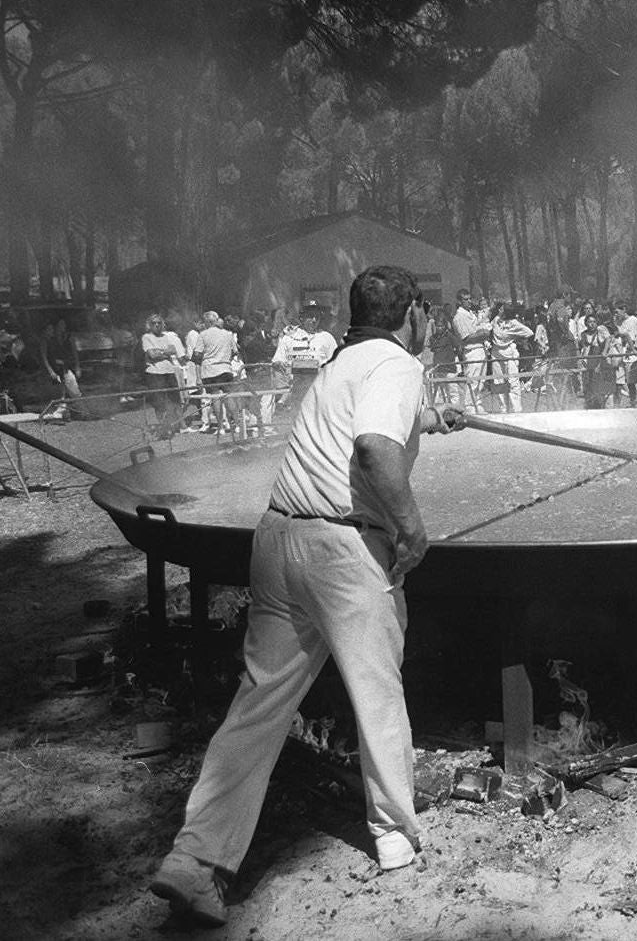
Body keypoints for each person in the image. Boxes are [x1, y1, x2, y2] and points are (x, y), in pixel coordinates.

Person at [149, 267, 465, 928]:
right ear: (410, 314)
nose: (430, 321)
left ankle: (196, 859)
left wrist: (432, 418)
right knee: (375, 692)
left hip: (278, 538)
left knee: (258, 706)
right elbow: (375, 445)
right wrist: (411, 529)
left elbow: (359, 423)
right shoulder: (400, 364)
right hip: (343, 553)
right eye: (427, 311)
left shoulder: (341, 361)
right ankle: (396, 838)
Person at [141, 313, 187, 439]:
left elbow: (172, 350)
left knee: (176, 400)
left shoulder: (166, 336)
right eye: (154, 323)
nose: (157, 325)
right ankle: (164, 428)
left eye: (159, 323)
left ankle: (182, 426)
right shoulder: (146, 337)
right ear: (149, 325)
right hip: (155, 373)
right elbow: (152, 355)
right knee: (159, 402)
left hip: (169, 371)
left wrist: (159, 352)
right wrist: (164, 353)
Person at [198, 311, 242, 432]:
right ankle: (237, 425)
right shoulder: (227, 334)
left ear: (207, 322)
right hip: (225, 369)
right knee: (229, 396)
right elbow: (236, 351)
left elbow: (197, 356)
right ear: (216, 321)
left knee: (215, 397)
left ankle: (221, 427)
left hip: (209, 370)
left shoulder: (202, 335)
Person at [486, 303, 534, 413]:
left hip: (509, 353)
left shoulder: (514, 323)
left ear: (506, 312)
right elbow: (490, 331)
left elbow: (529, 332)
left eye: (502, 308)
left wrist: (516, 338)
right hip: (496, 353)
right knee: (498, 381)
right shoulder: (496, 319)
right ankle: (504, 408)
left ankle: (516, 409)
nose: (499, 309)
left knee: (513, 381)